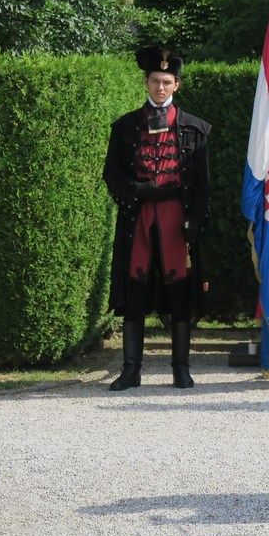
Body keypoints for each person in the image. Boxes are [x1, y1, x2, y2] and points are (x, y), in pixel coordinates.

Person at [104, 45, 211, 391]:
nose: (160, 87)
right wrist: (136, 189)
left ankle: (181, 368)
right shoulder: (124, 127)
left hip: (176, 220)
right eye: (154, 81)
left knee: (179, 294)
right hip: (139, 217)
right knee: (135, 293)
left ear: (177, 84)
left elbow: (203, 186)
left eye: (166, 81)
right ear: (146, 82)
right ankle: (131, 369)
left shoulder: (195, 129)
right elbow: (112, 173)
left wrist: (195, 221)